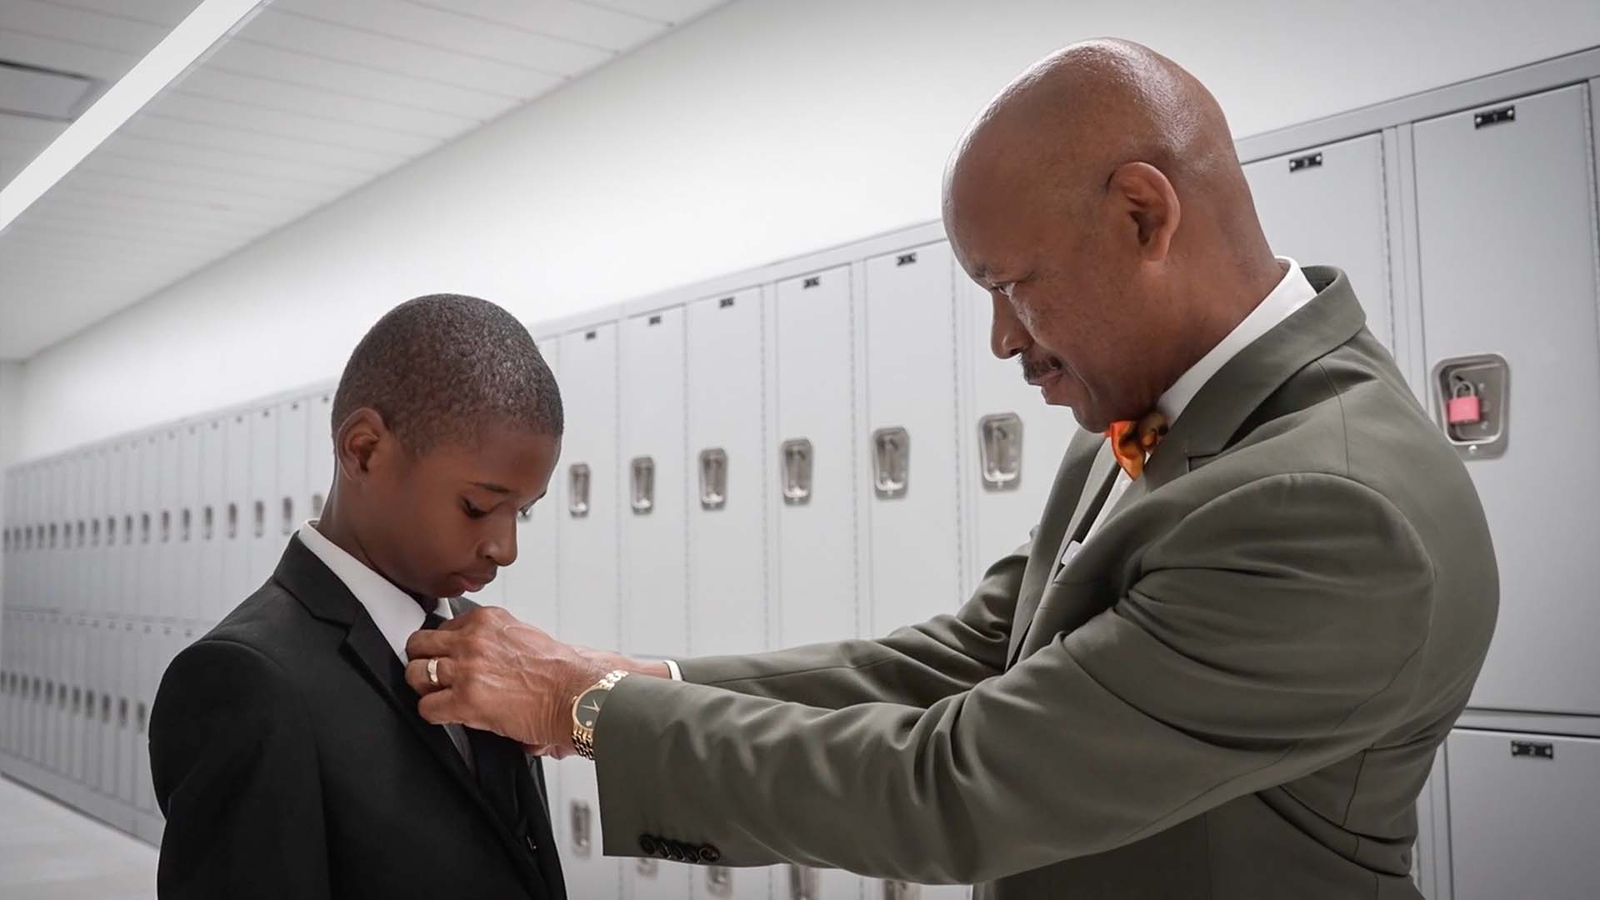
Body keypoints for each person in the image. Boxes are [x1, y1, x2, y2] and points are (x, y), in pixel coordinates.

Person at [404, 40, 1498, 899]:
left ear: (1141, 216)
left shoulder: (1326, 507)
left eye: (1013, 285)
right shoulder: (1156, 418)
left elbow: (953, 782)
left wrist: (586, 709)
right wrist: (643, 684)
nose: (1002, 342)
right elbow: (969, 658)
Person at [149, 295, 568, 900]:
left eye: (521, 513)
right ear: (364, 450)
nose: (505, 549)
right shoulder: (247, 682)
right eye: (476, 507)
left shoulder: (486, 642)